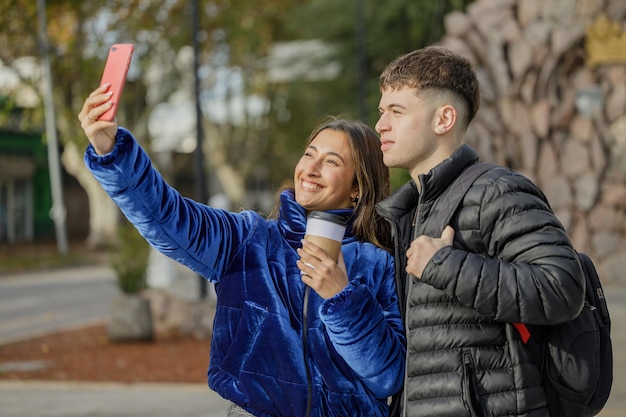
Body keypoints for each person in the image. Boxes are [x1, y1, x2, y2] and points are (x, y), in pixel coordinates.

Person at [78, 85, 405, 417]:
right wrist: (111, 151)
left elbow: (388, 377)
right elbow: (167, 215)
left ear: (357, 188)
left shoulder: (379, 265)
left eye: (331, 161)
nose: (311, 168)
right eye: (309, 154)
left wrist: (343, 298)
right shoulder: (249, 240)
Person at [374, 46, 585, 417]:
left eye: (396, 111)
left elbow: (561, 286)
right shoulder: (407, 212)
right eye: (381, 112)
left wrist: (445, 265)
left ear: (444, 119)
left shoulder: (495, 190)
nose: (380, 125)